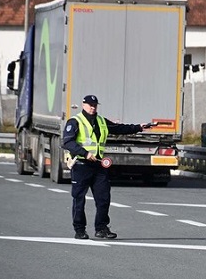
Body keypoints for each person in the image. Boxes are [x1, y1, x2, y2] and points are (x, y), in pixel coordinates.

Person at [63, 94, 149, 240]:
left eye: (95, 105)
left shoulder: (101, 121)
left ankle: (101, 228)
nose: (92, 107)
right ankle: (79, 230)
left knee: (103, 198)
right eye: (90, 105)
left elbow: (119, 128)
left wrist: (139, 127)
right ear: (83, 105)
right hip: (81, 165)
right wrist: (85, 153)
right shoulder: (75, 121)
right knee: (79, 199)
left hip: (98, 165)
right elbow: (68, 142)